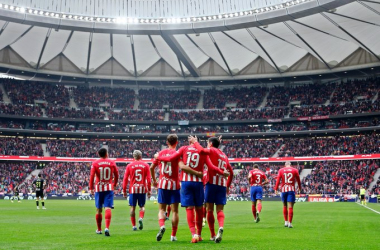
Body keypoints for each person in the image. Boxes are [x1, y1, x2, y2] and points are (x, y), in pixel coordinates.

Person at [155, 136, 229, 243]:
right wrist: (222, 172)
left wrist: (158, 157)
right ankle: (199, 234)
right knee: (199, 209)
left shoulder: (184, 149)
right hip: (198, 183)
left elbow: (171, 158)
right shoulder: (202, 152)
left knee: (189, 209)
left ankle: (193, 235)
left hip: (186, 182)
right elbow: (212, 167)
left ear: (189, 141)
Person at [188, 135, 234, 243]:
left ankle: (213, 234)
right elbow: (231, 172)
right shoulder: (224, 155)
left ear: (211, 144)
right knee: (220, 210)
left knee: (209, 210)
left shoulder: (211, 150)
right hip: (222, 184)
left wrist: (195, 142)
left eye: (208, 143)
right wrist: (227, 186)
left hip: (211, 182)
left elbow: (202, 150)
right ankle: (221, 227)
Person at [89, 148, 119, 236]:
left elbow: (92, 176)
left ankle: (99, 229)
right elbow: (116, 174)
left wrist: (91, 188)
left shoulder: (95, 163)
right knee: (108, 208)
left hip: (98, 188)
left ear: (99, 154)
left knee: (98, 210)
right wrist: (115, 183)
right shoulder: (112, 162)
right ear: (106, 153)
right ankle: (107, 228)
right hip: (109, 188)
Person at [123, 150, 151, 231]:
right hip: (142, 189)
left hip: (133, 189)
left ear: (133, 156)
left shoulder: (129, 166)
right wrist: (149, 190)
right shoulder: (146, 165)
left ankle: (134, 226)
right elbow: (149, 179)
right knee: (142, 207)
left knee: (132, 208)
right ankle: (141, 218)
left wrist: (124, 191)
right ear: (141, 156)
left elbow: (125, 179)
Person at [274, 161, 301, 228]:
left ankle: (286, 222)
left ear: (285, 165)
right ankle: (290, 223)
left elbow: (278, 180)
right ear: (290, 165)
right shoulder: (295, 170)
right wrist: (300, 188)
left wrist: (276, 189)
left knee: (284, 206)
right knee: (290, 206)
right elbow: (298, 180)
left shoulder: (281, 170)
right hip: (291, 189)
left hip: (283, 190)